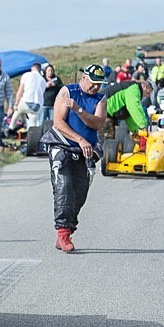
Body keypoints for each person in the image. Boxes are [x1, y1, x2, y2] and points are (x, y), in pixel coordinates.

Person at [41, 64, 107, 252]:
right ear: (84, 78)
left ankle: (67, 229)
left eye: (99, 84)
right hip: (62, 144)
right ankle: (62, 233)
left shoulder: (100, 99)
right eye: (93, 83)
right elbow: (58, 122)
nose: (96, 88)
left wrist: (78, 110)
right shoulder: (67, 92)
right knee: (64, 186)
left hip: (85, 150)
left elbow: (98, 123)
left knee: (80, 193)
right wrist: (79, 139)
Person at [9, 62, 46, 133]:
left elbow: (20, 90)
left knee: (17, 113)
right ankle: (31, 136)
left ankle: (11, 128)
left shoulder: (27, 75)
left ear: (32, 68)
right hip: (37, 105)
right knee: (32, 124)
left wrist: (16, 104)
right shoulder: (43, 80)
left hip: (26, 101)